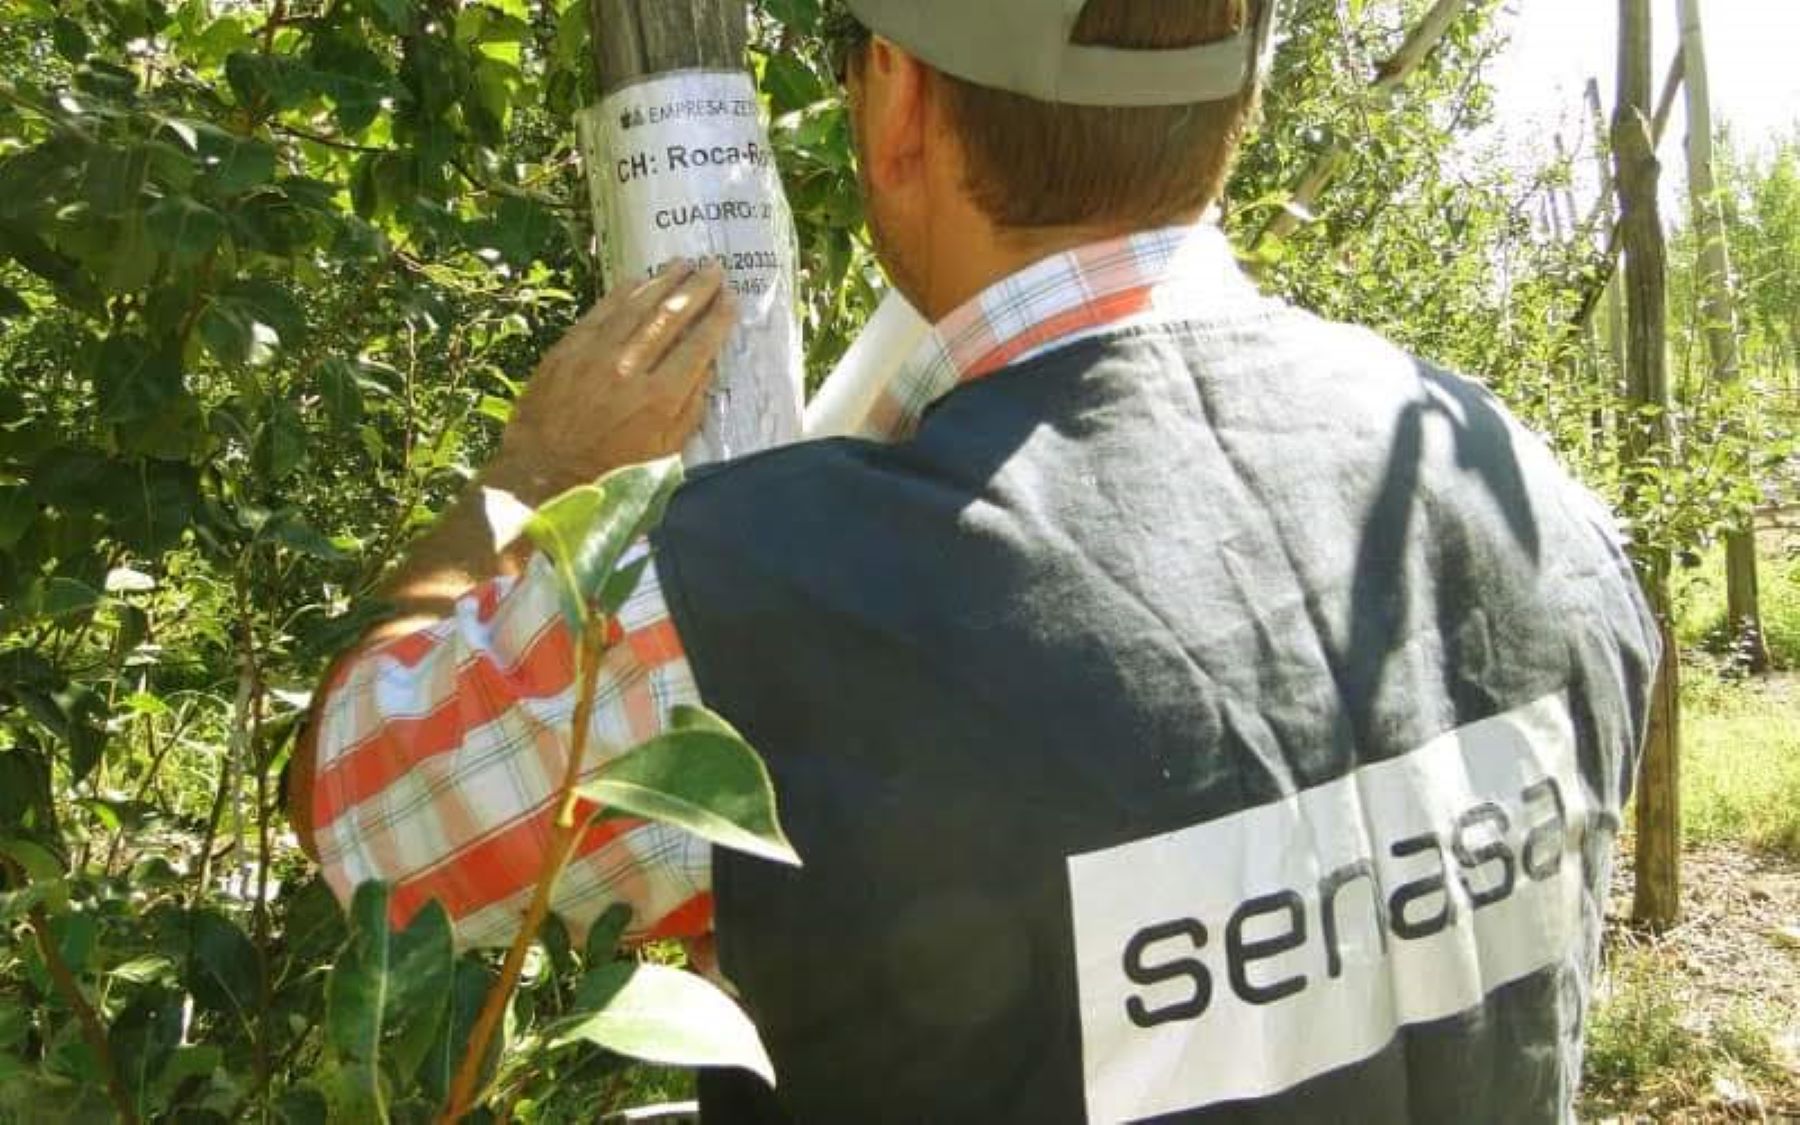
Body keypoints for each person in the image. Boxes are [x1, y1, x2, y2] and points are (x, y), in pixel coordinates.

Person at [290, 0, 1661, 1120]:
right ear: (1233, 110)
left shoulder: (749, 611)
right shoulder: (1534, 499)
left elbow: (357, 819)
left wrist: (530, 478)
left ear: (897, 101)